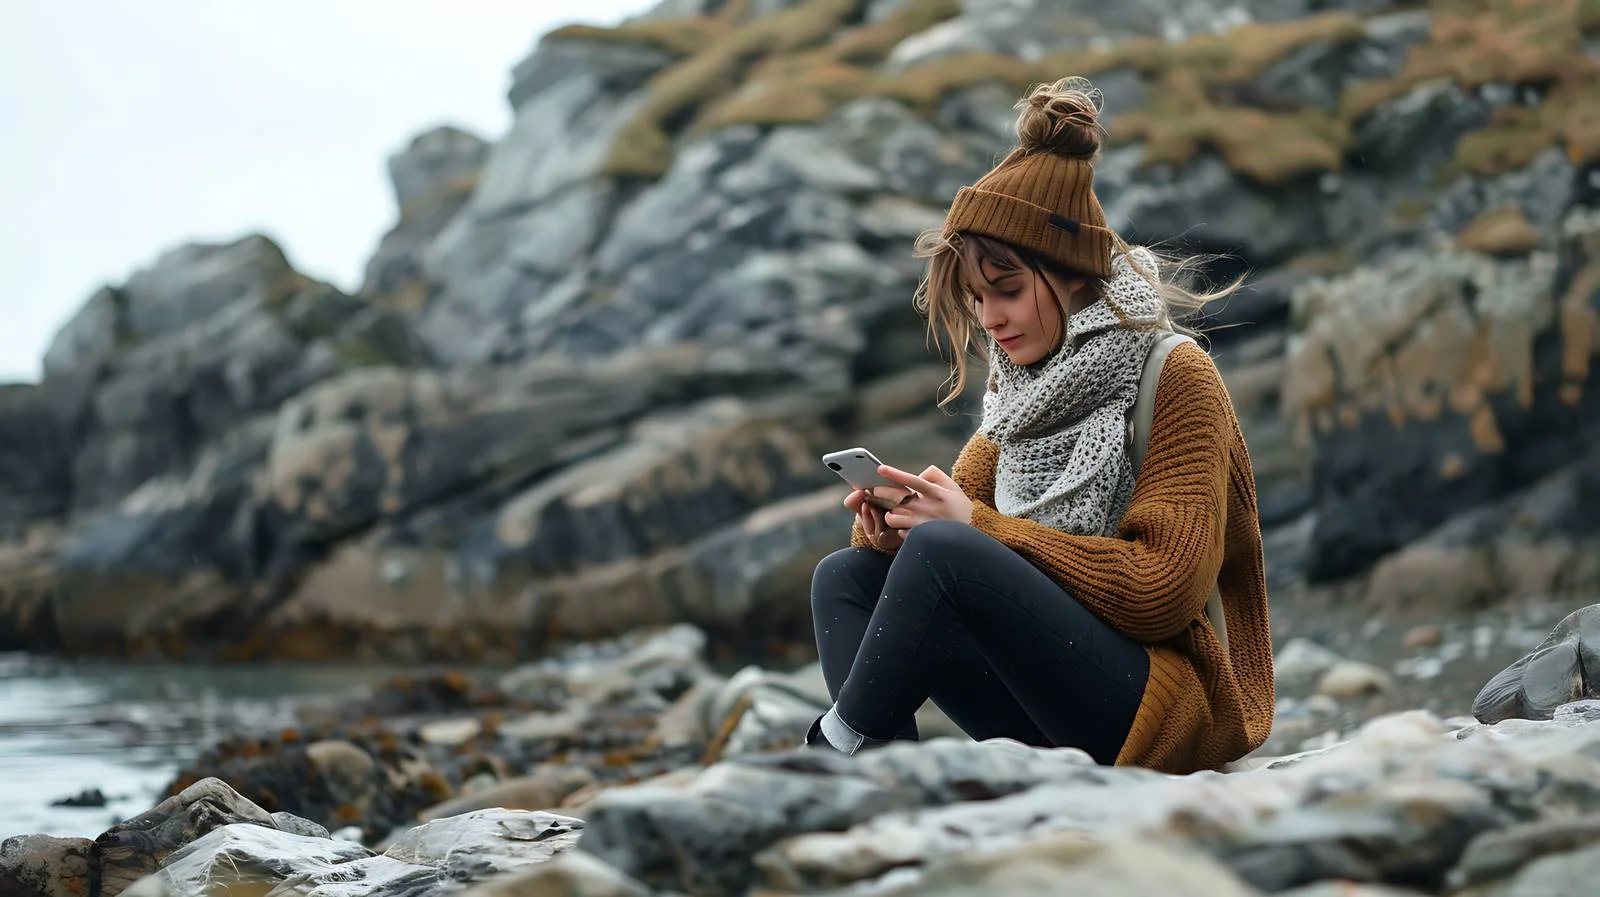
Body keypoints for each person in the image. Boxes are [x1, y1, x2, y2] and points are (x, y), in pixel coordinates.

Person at [804, 76, 1275, 774]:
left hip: (1167, 710)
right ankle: (881, 780)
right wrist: (886, 530)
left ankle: (834, 749)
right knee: (844, 576)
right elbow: (955, 531)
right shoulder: (1023, 392)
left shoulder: (1174, 375)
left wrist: (974, 528)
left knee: (946, 549)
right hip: (1050, 709)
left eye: (1009, 290)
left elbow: (1162, 591)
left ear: (1076, 273)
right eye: (975, 297)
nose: (990, 319)